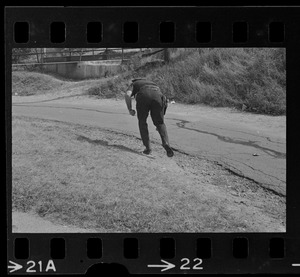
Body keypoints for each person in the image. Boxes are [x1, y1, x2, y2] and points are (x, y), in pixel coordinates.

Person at [125, 78, 174, 157]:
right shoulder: (152, 83)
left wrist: (130, 109)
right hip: (158, 95)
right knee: (160, 123)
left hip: (143, 95)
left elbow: (127, 95)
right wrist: (160, 122)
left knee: (142, 122)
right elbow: (163, 104)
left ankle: (148, 148)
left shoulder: (134, 84)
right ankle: (166, 142)